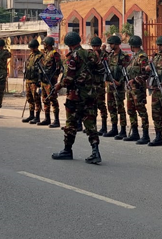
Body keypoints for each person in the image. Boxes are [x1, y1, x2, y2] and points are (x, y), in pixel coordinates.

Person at [51, 32, 101, 164]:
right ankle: (95, 151)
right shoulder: (91, 54)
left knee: (71, 123)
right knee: (90, 123)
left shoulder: (72, 57)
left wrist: (59, 85)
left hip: (76, 96)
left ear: (69, 44)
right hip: (90, 94)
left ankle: (67, 150)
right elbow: (101, 70)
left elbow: (68, 78)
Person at [125, 35, 151, 144]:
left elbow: (146, 73)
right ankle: (134, 132)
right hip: (131, 89)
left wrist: (135, 80)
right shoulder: (134, 57)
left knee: (141, 111)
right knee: (131, 110)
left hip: (138, 89)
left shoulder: (142, 57)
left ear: (132, 45)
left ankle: (145, 135)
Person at [105, 35, 130, 139]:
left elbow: (126, 72)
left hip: (119, 87)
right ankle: (114, 128)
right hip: (110, 86)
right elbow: (106, 71)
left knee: (120, 108)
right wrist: (108, 82)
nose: (111, 46)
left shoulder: (124, 56)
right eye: (110, 44)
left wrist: (119, 82)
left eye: (112, 44)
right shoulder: (109, 56)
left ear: (117, 44)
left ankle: (123, 130)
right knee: (111, 107)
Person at [38, 37, 61, 127]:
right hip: (44, 80)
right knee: (45, 99)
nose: (44, 45)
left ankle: (56, 120)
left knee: (53, 99)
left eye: (45, 43)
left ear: (47, 44)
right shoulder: (45, 54)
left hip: (51, 80)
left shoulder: (54, 54)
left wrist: (54, 78)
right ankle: (47, 118)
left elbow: (59, 68)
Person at [89, 37, 110, 135]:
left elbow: (104, 69)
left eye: (97, 46)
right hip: (91, 83)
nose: (95, 48)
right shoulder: (90, 54)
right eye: (94, 46)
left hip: (100, 83)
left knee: (101, 105)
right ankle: (93, 127)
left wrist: (98, 58)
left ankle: (104, 127)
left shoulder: (105, 55)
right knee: (91, 106)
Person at [22, 39, 43, 124]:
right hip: (29, 80)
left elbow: (41, 70)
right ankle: (31, 115)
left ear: (35, 47)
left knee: (36, 99)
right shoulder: (30, 55)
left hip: (35, 81)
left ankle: (37, 117)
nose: (30, 49)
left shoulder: (40, 56)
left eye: (32, 48)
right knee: (29, 98)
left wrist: (39, 81)